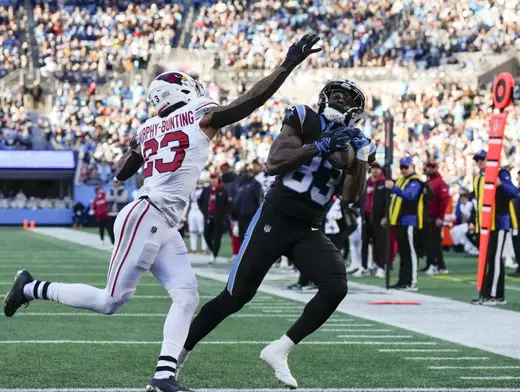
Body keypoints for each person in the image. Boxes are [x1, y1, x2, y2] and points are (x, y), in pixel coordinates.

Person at [2, 33, 321, 392]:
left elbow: (123, 171)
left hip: (163, 220)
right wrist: (288, 64)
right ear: (182, 92)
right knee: (110, 300)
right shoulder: (199, 114)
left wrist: (138, 145)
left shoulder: (148, 126)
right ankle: (29, 288)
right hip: (148, 215)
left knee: (186, 295)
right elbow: (250, 101)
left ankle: (164, 376)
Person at [180, 78, 372, 389]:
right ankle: (177, 354)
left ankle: (279, 350)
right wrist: (319, 146)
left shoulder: (354, 143)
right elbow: (274, 163)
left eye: (346, 99)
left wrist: (361, 160)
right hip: (275, 217)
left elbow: (351, 196)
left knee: (335, 286)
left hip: (308, 228)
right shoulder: (304, 118)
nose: (338, 100)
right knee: (234, 297)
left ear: (356, 112)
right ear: (324, 97)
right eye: (335, 95)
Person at [472, 163, 519, 305]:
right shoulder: (479, 178)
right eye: (477, 160)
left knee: (495, 258)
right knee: (491, 259)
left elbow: (514, 192)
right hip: (486, 224)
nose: (479, 162)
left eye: (482, 159)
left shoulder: (501, 174)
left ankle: (491, 295)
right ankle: (496, 294)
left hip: (498, 223)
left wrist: (501, 184)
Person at [386, 157, 426, 291]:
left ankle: (412, 281)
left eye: (405, 167)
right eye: (401, 167)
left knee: (410, 252)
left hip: (410, 221)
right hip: (398, 221)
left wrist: (394, 188)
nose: (403, 170)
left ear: (412, 167)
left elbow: (410, 196)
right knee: (403, 253)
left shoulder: (416, 181)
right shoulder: (402, 180)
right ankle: (403, 281)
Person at [360, 162, 389, 278]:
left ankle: (381, 266)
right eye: (373, 168)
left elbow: (388, 201)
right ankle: (364, 267)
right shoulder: (367, 183)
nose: (375, 170)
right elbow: (363, 199)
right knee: (365, 243)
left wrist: (386, 216)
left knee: (380, 244)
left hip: (379, 218)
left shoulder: (384, 183)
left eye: (377, 168)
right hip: (366, 217)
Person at [422, 161, 449, 275]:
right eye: (428, 166)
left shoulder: (440, 183)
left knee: (435, 242)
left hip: (434, 216)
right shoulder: (429, 181)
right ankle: (435, 264)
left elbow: (444, 201)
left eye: (432, 167)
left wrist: (440, 217)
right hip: (428, 215)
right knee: (430, 241)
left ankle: (435, 265)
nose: (429, 169)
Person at [199, 173, 231, 263]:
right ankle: (212, 250)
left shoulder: (223, 190)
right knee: (206, 235)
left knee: (216, 237)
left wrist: (224, 215)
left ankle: (214, 254)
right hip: (208, 217)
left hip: (219, 218)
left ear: (218, 179)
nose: (213, 180)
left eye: (215, 178)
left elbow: (228, 204)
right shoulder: (206, 190)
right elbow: (200, 201)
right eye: (212, 178)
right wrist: (204, 212)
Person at [233, 164, 264, 241]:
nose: (245, 173)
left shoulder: (256, 184)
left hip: (250, 216)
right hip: (240, 216)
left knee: (249, 239)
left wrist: (257, 216)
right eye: (243, 171)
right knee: (241, 239)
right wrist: (234, 215)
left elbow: (259, 201)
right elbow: (237, 201)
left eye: (246, 171)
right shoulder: (240, 184)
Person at [186, 182, 208, 254]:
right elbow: (188, 202)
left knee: (202, 231)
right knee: (192, 230)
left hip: (200, 211)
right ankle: (193, 248)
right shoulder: (191, 190)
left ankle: (203, 248)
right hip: (192, 210)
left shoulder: (204, 191)